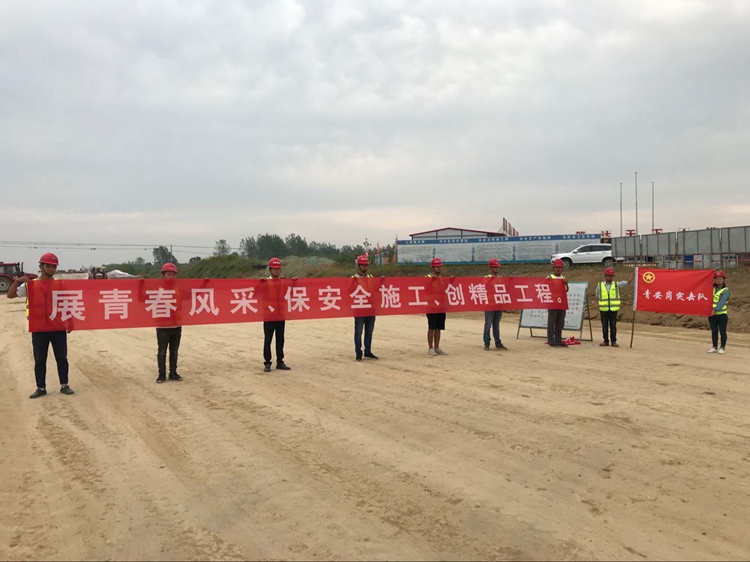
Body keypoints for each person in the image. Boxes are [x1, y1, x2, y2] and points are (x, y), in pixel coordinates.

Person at [7, 252, 75, 399]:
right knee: (40, 359)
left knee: (61, 357)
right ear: (41, 266)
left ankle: (64, 384)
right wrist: (17, 282)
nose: (51, 269)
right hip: (39, 328)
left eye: (53, 267)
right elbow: (10, 295)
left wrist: (70, 322)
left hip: (57, 327)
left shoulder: (59, 285)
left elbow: (67, 304)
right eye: (48, 266)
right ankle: (41, 387)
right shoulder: (31, 285)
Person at [155, 263, 183, 383]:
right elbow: (142, 298)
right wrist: (141, 285)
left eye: (173, 275)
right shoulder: (157, 289)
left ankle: (173, 373)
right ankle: (161, 375)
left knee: (174, 351)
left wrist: (205, 284)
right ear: (163, 275)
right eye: (168, 274)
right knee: (162, 352)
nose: (171, 277)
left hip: (176, 325)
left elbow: (193, 294)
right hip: (162, 326)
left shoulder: (178, 289)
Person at [262, 258, 291, 372]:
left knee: (280, 339)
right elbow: (261, 297)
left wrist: (294, 281)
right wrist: (270, 308)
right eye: (274, 269)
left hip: (280, 315)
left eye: (278, 269)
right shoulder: (265, 283)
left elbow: (292, 290)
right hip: (269, 316)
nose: (276, 271)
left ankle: (280, 361)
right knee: (268, 340)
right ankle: (267, 363)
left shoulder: (284, 282)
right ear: (270, 269)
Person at [595, 267, 632, 348]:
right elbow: (597, 295)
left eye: (612, 276)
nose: (610, 277)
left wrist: (634, 275)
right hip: (603, 309)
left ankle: (613, 341)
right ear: (605, 276)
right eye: (609, 275)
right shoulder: (600, 285)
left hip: (613, 309)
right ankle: (605, 340)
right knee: (604, 326)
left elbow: (627, 282)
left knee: (613, 325)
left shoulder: (616, 285)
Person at [352, 254, 378, 361]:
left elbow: (377, 289)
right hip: (359, 308)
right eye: (363, 265)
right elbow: (348, 291)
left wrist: (382, 280)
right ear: (359, 266)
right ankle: (358, 353)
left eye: (366, 265)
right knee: (358, 332)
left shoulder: (371, 277)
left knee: (369, 331)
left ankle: (368, 351)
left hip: (370, 308)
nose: (365, 267)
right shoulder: (354, 278)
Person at [483, 258, 507, 350]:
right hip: (489, 305)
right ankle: (487, 343)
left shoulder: (500, 278)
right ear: (491, 267)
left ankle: (498, 342)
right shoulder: (487, 277)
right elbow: (484, 287)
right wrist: (490, 280)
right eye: (495, 267)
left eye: (497, 267)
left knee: (496, 325)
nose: (497, 269)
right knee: (488, 325)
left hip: (498, 305)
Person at [546, 259, 569, 347]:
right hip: (553, 303)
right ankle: (551, 340)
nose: (558, 269)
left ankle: (558, 340)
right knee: (552, 323)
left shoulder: (563, 278)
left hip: (561, 303)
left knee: (560, 323)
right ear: (553, 268)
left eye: (559, 267)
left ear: (562, 268)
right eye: (556, 267)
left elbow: (566, 290)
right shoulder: (550, 277)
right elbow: (546, 288)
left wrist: (566, 284)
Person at [426, 257, 447, 356]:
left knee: (439, 327)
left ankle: (437, 347)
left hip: (441, 306)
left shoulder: (441, 279)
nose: (439, 268)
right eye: (437, 266)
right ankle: (430, 348)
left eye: (440, 266)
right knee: (432, 327)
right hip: (431, 306)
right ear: (433, 267)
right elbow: (425, 288)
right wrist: (432, 280)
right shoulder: (428, 277)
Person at [708, 270, 730, 354]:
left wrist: (715, 310)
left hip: (722, 315)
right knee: (714, 331)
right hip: (712, 315)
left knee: (722, 331)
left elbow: (722, 302)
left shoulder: (726, 291)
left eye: (720, 278)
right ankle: (714, 347)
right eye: (717, 279)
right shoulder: (712, 289)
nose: (718, 280)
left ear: (723, 280)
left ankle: (722, 347)